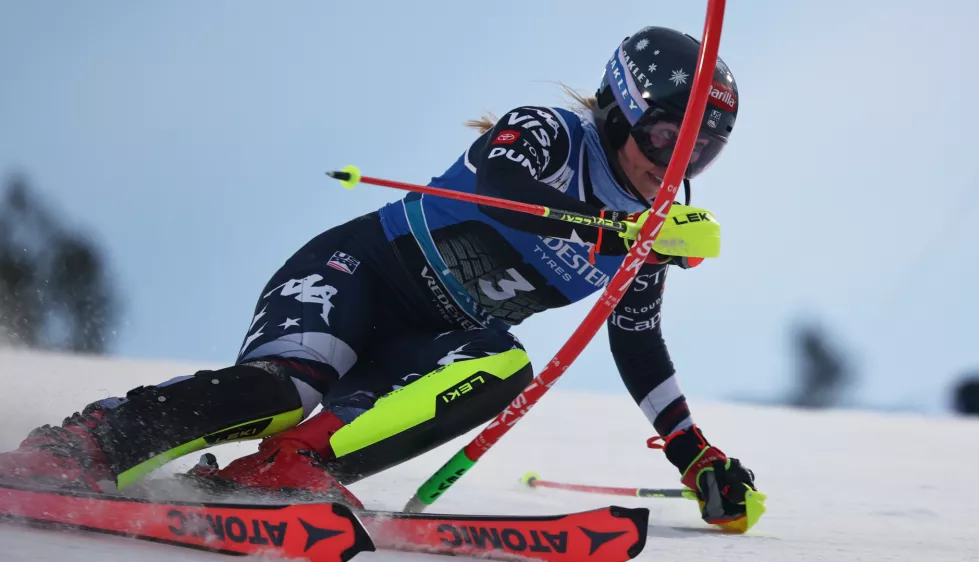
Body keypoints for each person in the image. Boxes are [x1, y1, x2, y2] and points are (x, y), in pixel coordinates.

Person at [0, 26, 760, 530]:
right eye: (667, 137)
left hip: (423, 349)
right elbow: (502, 188)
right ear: (622, 110)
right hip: (359, 278)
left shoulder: (649, 232)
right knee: (285, 391)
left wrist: (696, 458)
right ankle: (90, 442)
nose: (677, 163)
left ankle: (288, 468)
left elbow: (638, 345)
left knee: (503, 364)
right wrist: (613, 230)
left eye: (702, 150)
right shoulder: (552, 133)